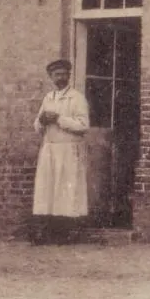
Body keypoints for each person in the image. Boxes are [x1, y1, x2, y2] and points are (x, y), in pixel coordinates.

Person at [32, 59, 90, 245]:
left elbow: (83, 126)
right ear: (51, 77)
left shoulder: (77, 98)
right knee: (47, 189)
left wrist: (59, 118)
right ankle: (46, 232)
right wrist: (41, 119)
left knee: (66, 190)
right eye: (57, 74)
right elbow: (37, 127)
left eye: (64, 74)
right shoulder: (48, 98)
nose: (61, 77)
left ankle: (69, 232)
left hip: (68, 150)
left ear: (69, 76)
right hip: (49, 149)